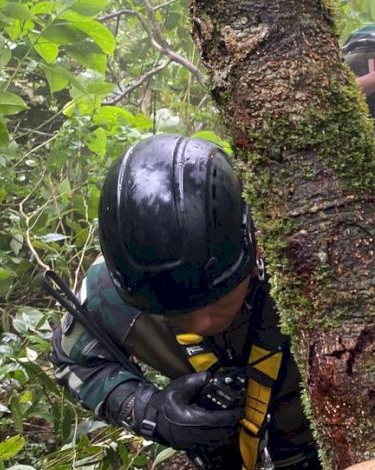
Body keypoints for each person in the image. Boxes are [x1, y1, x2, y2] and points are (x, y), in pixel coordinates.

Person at [50, 135, 319, 469]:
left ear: (252, 246)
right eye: (176, 312)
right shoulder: (114, 289)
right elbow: (72, 360)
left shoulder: (310, 264)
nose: (201, 323)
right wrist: (150, 412)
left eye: (216, 300)